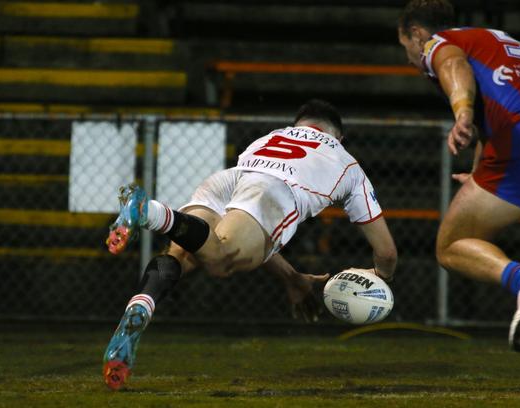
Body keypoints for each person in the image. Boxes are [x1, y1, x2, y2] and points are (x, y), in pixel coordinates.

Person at [102, 99, 398, 390]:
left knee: (182, 253)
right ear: (338, 136)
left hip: (230, 179)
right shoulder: (346, 161)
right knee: (221, 260)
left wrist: (292, 277)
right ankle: (151, 212)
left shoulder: (271, 137)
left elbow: (252, 231)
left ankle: (139, 308)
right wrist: (377, 281)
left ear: (299, 126)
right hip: (273, 191)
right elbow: (386, 253)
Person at [398, 0, 520, 408]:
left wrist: (461, 111)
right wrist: (480, 174)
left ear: (415, 34)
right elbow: (501, 110)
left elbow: (451, 66)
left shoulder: (438, 43)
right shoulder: (498, 41)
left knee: (451, 246)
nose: (412, 57)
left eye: (407, 47)